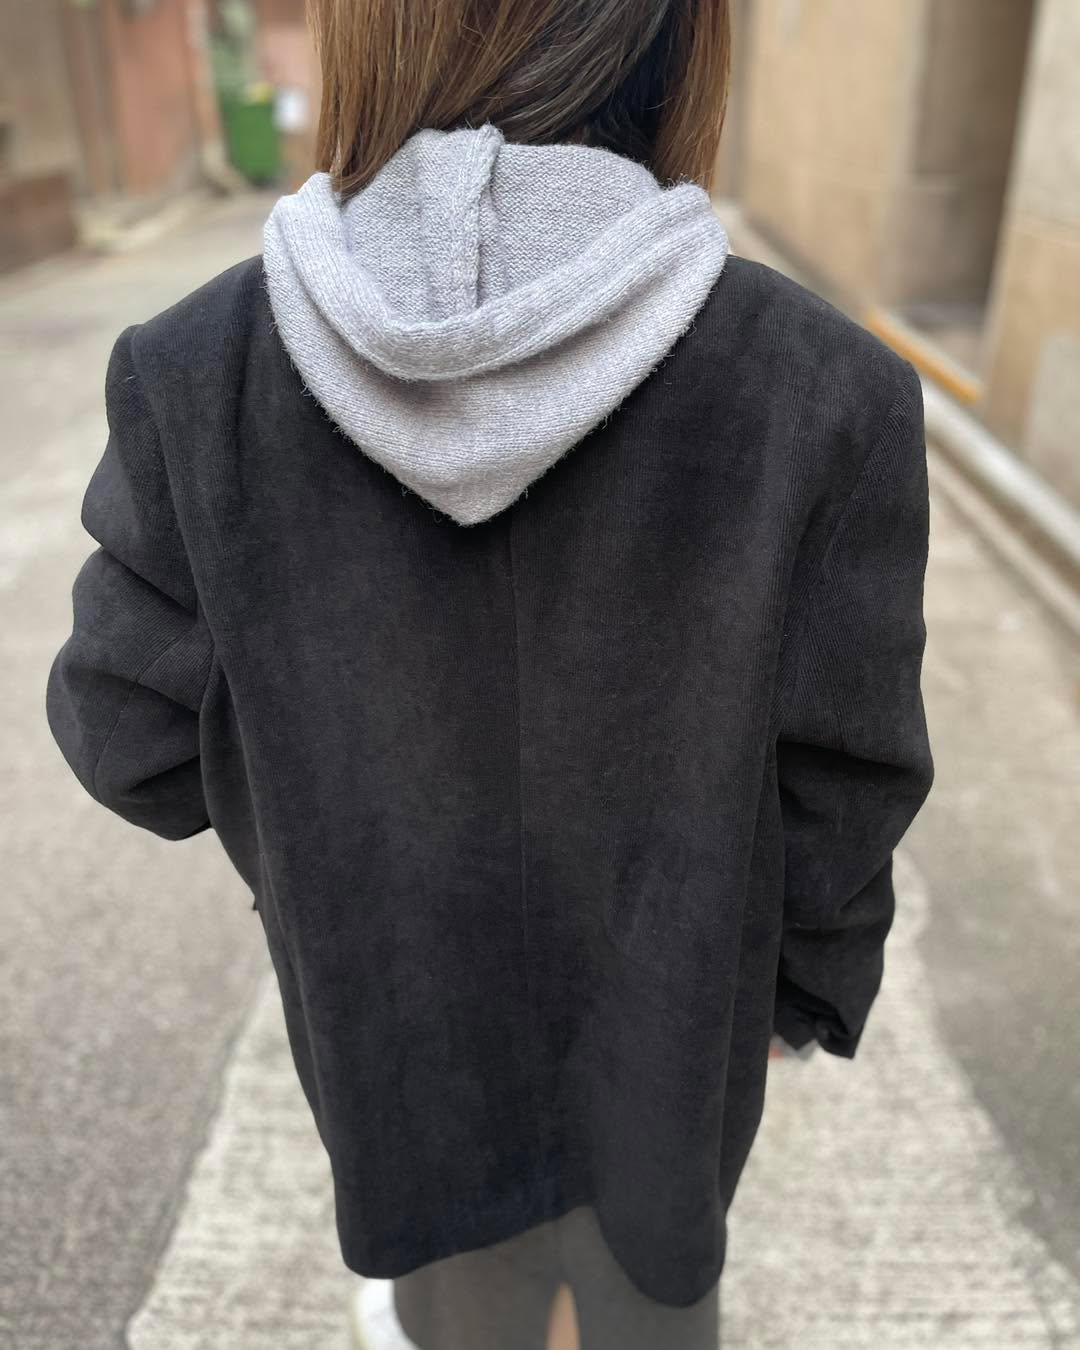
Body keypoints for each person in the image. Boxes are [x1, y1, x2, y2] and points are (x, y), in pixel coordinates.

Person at [46, 1, 934, 1346]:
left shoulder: (198, 372)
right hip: (671, 1062)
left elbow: (128, 739)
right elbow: (849, 783)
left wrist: (322, 838)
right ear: (673, 34)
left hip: (399, 1065)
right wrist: (797, 993)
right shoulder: (825, 390)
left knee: (459, 1314)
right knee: (651, 1307)